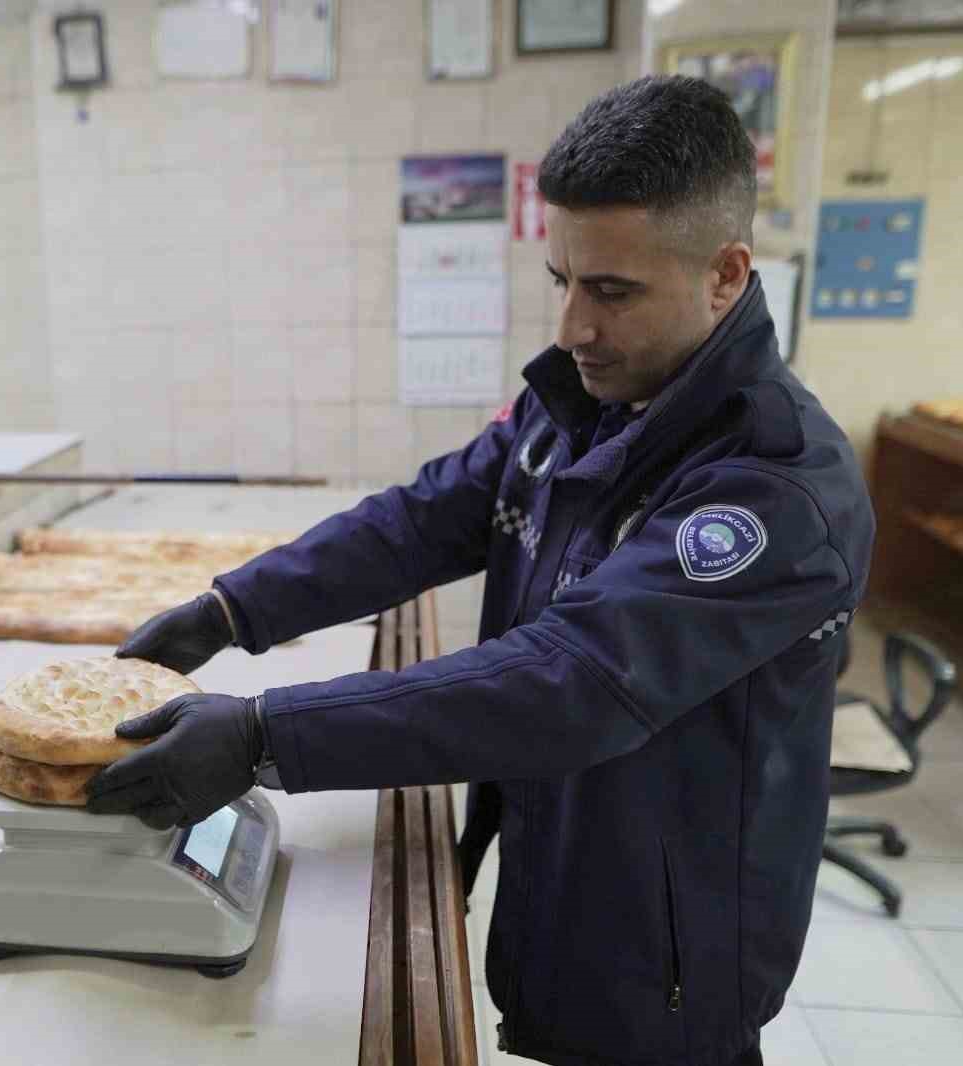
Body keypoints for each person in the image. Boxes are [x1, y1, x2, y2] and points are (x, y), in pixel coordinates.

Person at [86, 75, 873, 1066]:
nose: (573, 327)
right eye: (562, 280)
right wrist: (231, 608)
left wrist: (263, 734)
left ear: (724, 275)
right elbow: (422, 522)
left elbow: (574, 680)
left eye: (612, 291)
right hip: (567, 869)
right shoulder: (589, 400)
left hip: (672, 950)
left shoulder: (775, 487)